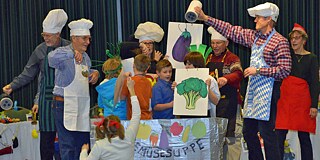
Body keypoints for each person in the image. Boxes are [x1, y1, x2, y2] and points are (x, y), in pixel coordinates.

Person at [194, 2, 291, 160]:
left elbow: (285, 70)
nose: (255, 20)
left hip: (270, 93)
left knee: (267, 134)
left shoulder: (280, 42)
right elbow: (231, 30)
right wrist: (205, 18)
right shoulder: (254, 37)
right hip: (254, 92)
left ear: (268, 19)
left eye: (258, 18)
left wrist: (259, 71)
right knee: (248, 132)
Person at [2, 9, 69, 160]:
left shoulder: (69, 48)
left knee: (66, 140)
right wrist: (12, 85)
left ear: (58, 33)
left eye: (48, 35)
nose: (45, 38)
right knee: (46, 142)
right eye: (43, 35)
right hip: (46, 102)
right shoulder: (40, 50)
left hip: (66, 100)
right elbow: (28, 73)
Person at [48, 18, 99, 160]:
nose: (88, 42)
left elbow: (86, 73)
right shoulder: (62, 53)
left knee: (82, 144)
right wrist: (71, 54)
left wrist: (95, 73)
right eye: (84, 38)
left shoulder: (86, 58)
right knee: (68, 146)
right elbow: (50, 59)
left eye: (89, 39)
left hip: (81, 106)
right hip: (63, 105)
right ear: (74, 38)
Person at [276, 23, 319, 160]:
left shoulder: (312, 58)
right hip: (285, 99)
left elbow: (314, 83)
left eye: (297, 38)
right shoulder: (286, 56)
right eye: (292, 38)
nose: (293, 41)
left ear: (304, 40)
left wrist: (313, 105)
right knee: (279, 133)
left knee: (304, 136)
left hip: (302, 101)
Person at [206, 27, 244, 160]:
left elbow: (239, 73)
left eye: (218, 43)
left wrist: (226, 79)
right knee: (216, 139)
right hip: (214, 105)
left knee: (232, 138)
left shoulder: (232, 58)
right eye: (213, 43)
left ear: (226, 43)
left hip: (231, 103)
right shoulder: (207, 58)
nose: (215, 46)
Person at [80, 76, 140, 160]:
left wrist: (84, 151)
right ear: (119, 126)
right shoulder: (129, 137)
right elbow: (136, 115)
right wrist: (131, 89)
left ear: (103, 129)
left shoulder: (100, 145)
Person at [179, 51, 220, 118]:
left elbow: (216, 101)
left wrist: (207, 88)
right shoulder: (182, 79)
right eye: (185, 64)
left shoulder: (209, 79)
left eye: (189, 64)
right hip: (186, 114)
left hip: (203, 114)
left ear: (197, 64)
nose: (186, 67)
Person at [120, 54, 152, 120]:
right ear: (147, 68)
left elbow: (122, 98)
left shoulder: (128, 81)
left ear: (133, 66)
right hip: (146, 117)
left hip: (133, 118)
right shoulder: (148, 82)